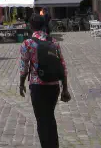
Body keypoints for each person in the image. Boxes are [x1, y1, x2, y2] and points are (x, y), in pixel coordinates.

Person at [19, 14, 71, 148]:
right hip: (53, 86)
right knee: (50, 117)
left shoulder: (28, 43)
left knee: (42, 120)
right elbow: (62, 66)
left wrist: (21, 83)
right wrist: (64, 88)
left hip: (38, 86)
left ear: (30, 26)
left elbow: (23, 67)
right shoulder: (53, 42)